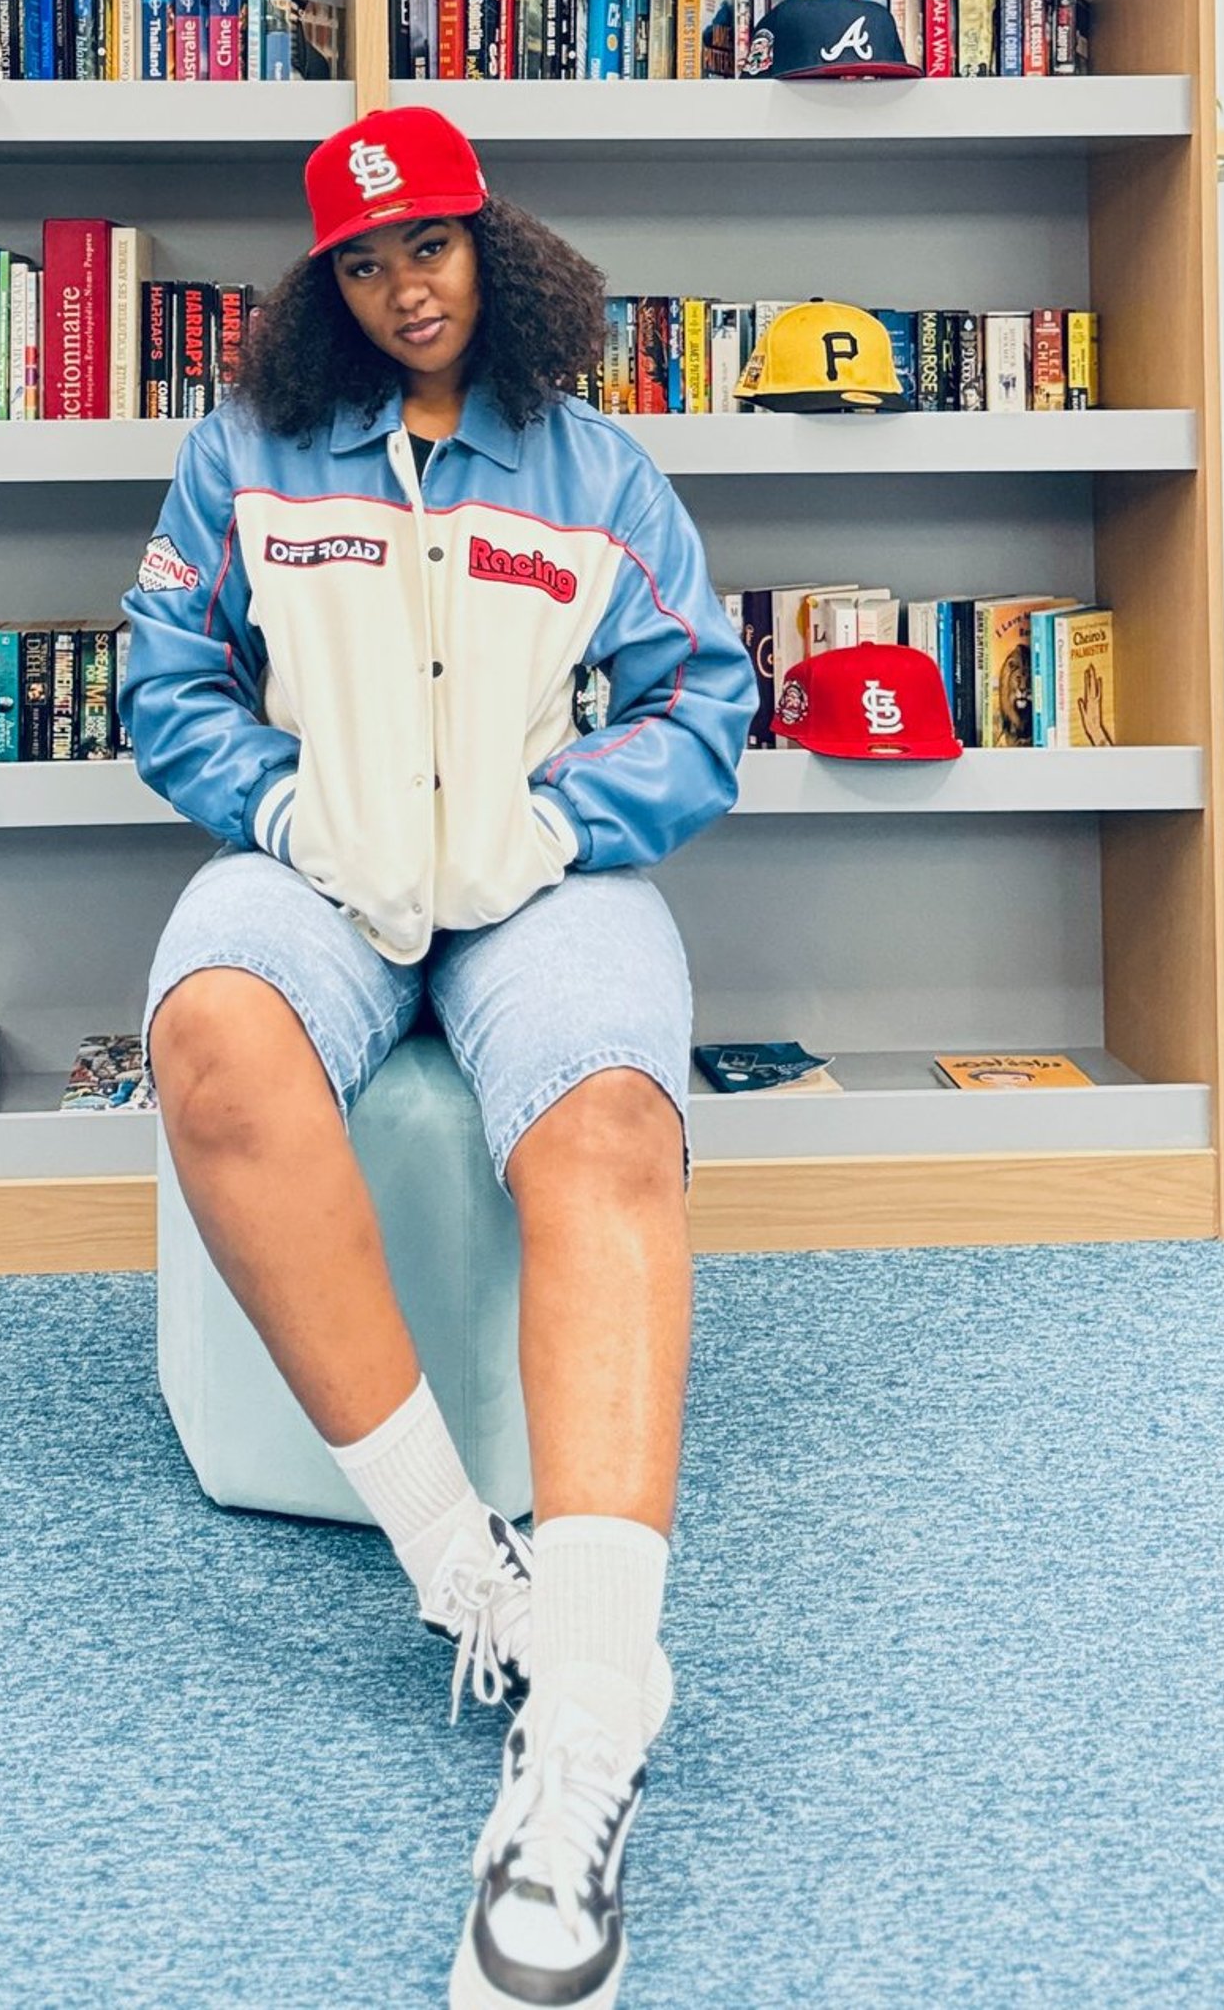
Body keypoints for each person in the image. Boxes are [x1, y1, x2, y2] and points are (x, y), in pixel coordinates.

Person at [122, 105, 756, 2010]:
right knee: (214, 1039)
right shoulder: (238, 455)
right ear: (328, 286)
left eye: (438, 248)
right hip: (327, 863)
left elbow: (704, 704)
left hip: (525, 873)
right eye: (371, 263)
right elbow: (167, 680)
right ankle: (459, 1568)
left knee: (615, 1121)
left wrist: (561, 826)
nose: (411, 289)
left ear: (498, 247)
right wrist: (286, 814)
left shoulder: (597, 467)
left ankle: (584, 1721)